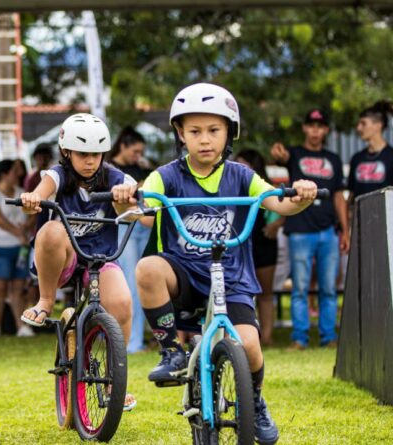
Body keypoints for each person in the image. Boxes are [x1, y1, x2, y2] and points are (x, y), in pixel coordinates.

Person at [112, 83, 319, 445]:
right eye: (194, 131)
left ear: (229, 133)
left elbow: (279, 204)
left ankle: (253, 402)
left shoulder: (242, 176)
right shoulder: (167, 176)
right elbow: (142, 215)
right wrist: (123, 200)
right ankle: (172, 352)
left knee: (250, 346)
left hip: (232, 279)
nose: (204, 140)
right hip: (184, 275)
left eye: (214, 131)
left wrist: (301, 196)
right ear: (180, 133)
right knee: (147, 269)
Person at [19, 113, 138, 410]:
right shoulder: (57, 175)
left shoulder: (116, 178)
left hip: (99, 259)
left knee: (122, 304)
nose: (90, 161)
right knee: (50, 230)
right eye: (83, 154)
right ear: (67, 152)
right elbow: (41, 192)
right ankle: (46, 301)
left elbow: (133, 210)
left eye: (96, 154)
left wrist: (125, 197)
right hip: (64, 259)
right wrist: (32, 199)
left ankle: (114, 382)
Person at [270, 109, 349, 350]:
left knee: (329, 288)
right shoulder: (294, 154)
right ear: (305, 128)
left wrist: (345, 229)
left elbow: (338, 196)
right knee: (300, 288)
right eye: (311, 125)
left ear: (325, 130)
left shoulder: (333, 159)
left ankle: (329, 337)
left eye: (320, 126)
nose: (315, 130)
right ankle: (299, 338)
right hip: (300, 229)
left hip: (328, 231)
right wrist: (278, 154)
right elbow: (280, 158)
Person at [108, 126, 152, 353]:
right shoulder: (110, 170)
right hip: (124, 225)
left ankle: (137, 338)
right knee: (129, 284)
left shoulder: (140, 168)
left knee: (144, 281)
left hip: (144, 224)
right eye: (135, 151)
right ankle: (131, 342)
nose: (138, 156)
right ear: (123, 146)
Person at [0, 159, 34, 339]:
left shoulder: (21, 193)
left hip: (20, 248)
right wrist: (17, 231)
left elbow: (32, 214)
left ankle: (21, 327)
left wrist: (26, 226)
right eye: (15, 171)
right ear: (4, 174)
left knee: (18, 288)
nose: (19, 174)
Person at [235, 149, 282, 346]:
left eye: (243, 164)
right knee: (237, 292)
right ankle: (239, 338)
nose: (237, 168)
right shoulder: (230, 188)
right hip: (237, 246)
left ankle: (267, 337)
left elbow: (282, 208)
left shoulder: (263, 188)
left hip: (263, 244)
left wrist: (276, 224)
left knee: (265, 293)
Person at [348, 101, 393, 205]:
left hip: (386, 217)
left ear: (378, 125)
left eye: (363, 123)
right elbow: (351, 194)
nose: (359, 128)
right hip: (360, 218)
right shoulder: (357, 158)